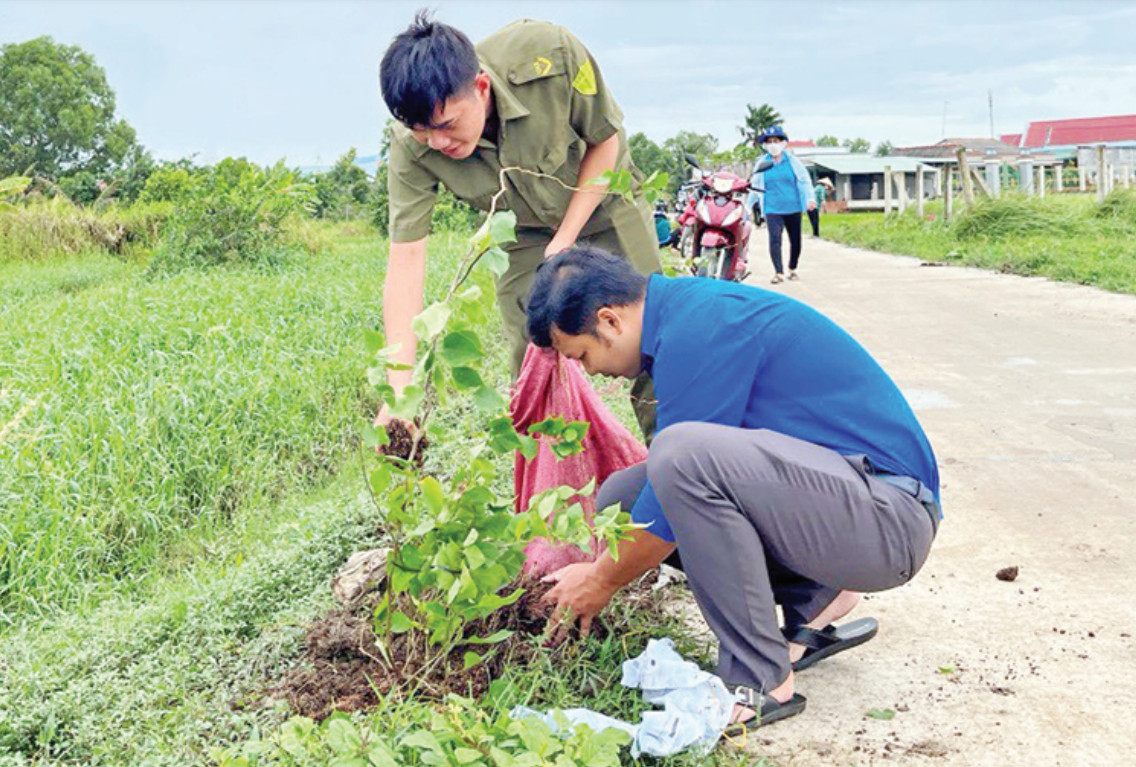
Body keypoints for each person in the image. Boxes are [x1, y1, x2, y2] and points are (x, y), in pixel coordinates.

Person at [526, 246, 940, 732]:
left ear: (610, 321)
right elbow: (666, 501)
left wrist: (601, 579)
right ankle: (814, 594)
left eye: (583, 356)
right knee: (624, 499)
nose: (591, 372)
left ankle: (760, 678)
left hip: (889, 521)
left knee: (679, 457)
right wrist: (607, 567)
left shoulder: (702, 327)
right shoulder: (681, 319)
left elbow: (677, 484)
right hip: (846, 505)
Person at [378, 12, 660, 435]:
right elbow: (405, 262)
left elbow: (604, 140)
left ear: (481, 87)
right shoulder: (410, 149)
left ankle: (680, 467)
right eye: (421, 132)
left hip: (605, 203)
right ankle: (549, 493)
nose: (437, 143)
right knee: (534, 355)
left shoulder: (550, 56)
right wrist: (399, 393)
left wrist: (566, 239)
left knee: (648, 331)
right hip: (524, 232)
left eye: (447, 125)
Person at [750, 126, 814, 283]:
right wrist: (747, 206)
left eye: (776, 141)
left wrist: (810, 198)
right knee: (775, 239)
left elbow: (804, 180)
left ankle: (792, 268)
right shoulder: (762, 163)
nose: (773, 145)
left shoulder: (792, 162)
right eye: (769, 142)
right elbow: (754, 185)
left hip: (793, 207)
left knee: (795, 240)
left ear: (783, 143)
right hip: (772, 208)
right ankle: (778, 272)